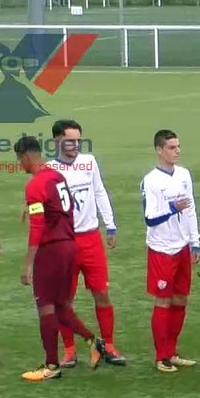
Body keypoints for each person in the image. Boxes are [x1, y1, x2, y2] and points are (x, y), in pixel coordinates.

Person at [14, 135, 105, 382]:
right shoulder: (57, 177)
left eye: (19, 160)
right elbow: (66, 207)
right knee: (62, 306)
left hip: (51, 251)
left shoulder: (35, 184)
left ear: (24, 156)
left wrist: (29, 263)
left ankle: (52, 365)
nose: (20, 166)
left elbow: (37, 226)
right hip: (69, 246)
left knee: (46, 307)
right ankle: (93, 340)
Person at [48, 119, 126, 367]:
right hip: (65, 243)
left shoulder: (88, 162)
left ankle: (109, 345)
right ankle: (70, 350)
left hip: (91, 238)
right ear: (57, 141)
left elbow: (99, 191)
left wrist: (110, 224)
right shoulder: (49, 170)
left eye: (78, 140)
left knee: (102, 294)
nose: (75, 145)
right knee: (64, 300)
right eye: (70, 140)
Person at [141, 129, 200, 372]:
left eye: (178, 146)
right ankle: (161, 356)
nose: (177, 151)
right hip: (162, 249)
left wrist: (195, 241)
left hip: (183, 247)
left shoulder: (184, 175)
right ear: (159, 150)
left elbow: (191, 208)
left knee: (180, 299)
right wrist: (172, 207)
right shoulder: (151, 180)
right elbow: (150, 218)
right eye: (171, 147)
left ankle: (172, 352)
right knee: (163, 300)